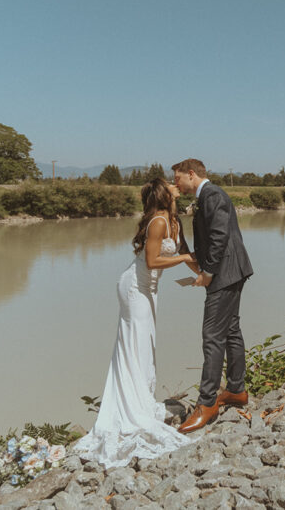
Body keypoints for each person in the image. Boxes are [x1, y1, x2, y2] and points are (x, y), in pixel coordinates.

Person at [73, 178, 195, 467]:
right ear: (164, 193)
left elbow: (188, 253)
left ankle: (140, 399)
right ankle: (130, 408)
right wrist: (184, 258)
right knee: (134, 345)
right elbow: (152, 261)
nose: (175, 184)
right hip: (135, 288)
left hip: (150, 289)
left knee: (146, 344)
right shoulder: (157, 222)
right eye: (170, 183)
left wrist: (204, 275)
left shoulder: (175, 220)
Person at [172, 158, 254, 434]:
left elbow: (219, 236)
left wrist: (207, 272)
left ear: (191, 174)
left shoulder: (212, 195)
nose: (176, 184)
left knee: (212, 336)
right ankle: (236, 390)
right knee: (230, 330)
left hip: (225, 273)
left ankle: (206, 404)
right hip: (230, 271)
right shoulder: (206, 196)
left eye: (178, 179)